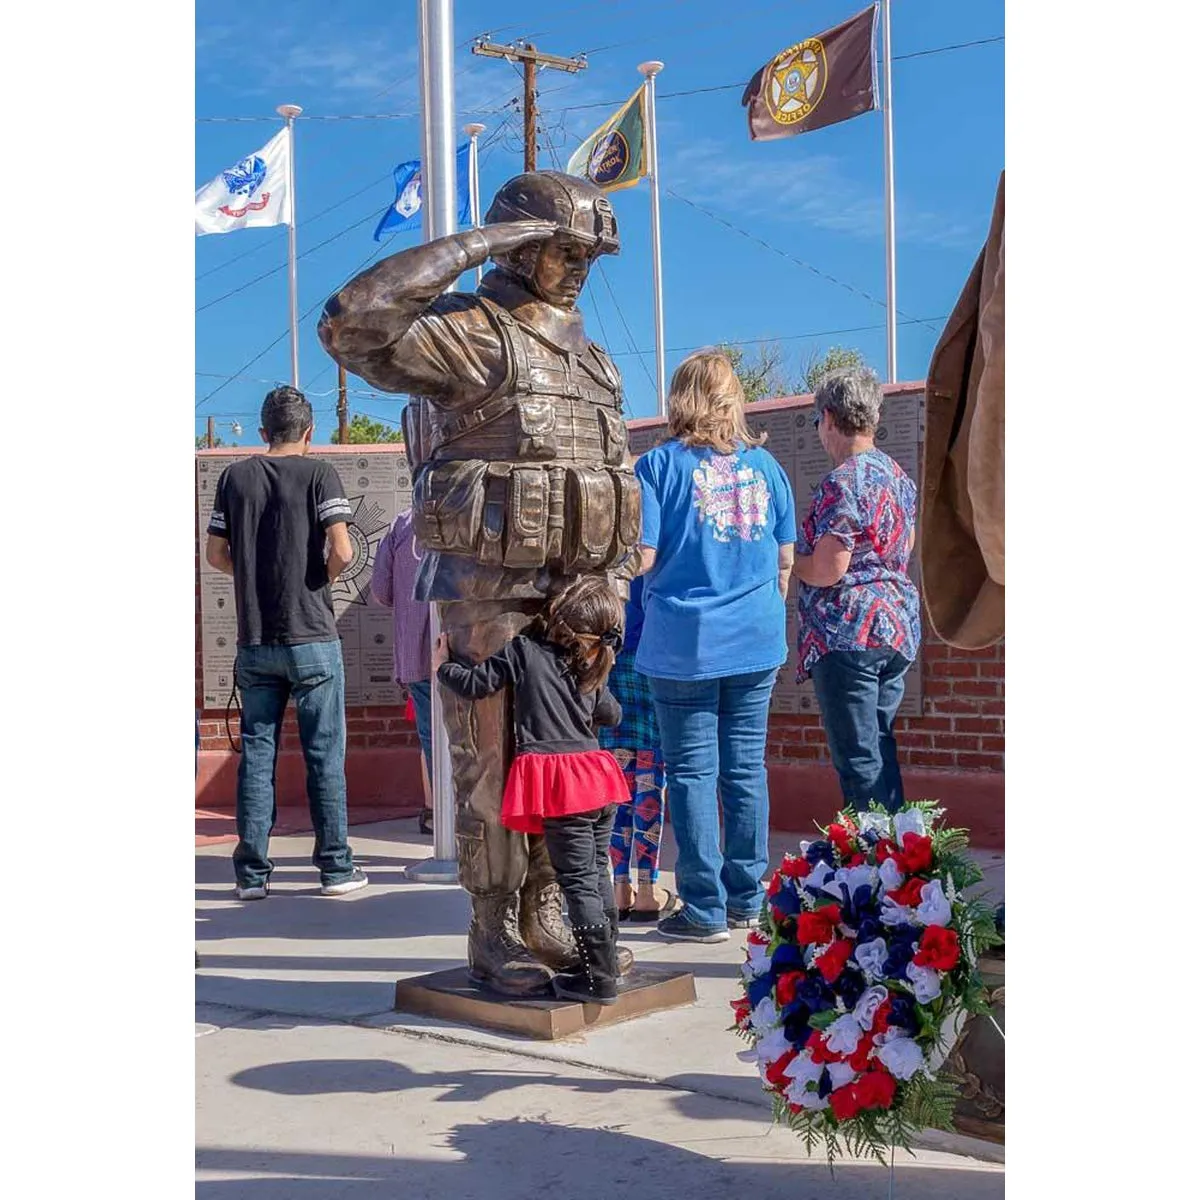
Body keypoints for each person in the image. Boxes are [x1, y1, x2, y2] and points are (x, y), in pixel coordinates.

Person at [318, 170, 639, 997]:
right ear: (521, 246)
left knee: (564, 768)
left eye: (586, 254)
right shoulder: (473, 333)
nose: (576, 266)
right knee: (490, 765)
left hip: (577, 606)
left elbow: (609, 475)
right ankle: (493, 930)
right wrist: (479, 245)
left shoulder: (595, 363)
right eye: (560, 249)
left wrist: (611, 590)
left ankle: (550, 914)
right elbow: (351, 324)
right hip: (489, 596)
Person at [634, 351, 796, 944]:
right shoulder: (767, 466)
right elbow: (785, 559)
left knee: (693, 772)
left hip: (685, 642)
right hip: (756, 639)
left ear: (682, 397)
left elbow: (643, 556)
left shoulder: (656, 466)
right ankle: (748, 899)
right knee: (745, 768)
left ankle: (703, 907)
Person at [204, 385, 368, 900]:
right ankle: (336, 869)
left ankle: (251, 874)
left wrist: (249, 574)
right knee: (323, 753)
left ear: (262, 432)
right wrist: (318, 577)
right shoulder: (321, 474)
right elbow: (341, 548)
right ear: (309, 430)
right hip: (313, 634)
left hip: (256, 638)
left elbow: (215, 554)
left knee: (257, 753)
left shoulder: (234, 477)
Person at [433, 577, 630, 1005]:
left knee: (577, 879)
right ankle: (606, 958)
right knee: (596, 872)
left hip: (562, 784)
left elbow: (475, 683)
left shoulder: (525, 652)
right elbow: (612, 715)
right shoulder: (589, 663)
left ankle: (599, 978)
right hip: (597, 778)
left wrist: (443, 666)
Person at [794, 366, 921, 814]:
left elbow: (829, 568)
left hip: (850, 634)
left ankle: (869, 866)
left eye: (817, 424)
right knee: (881, 749)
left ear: (829, 418)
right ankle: (903, 863)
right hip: (896, 629)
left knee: (859, 760)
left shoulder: (843, 481)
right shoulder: (898, 477)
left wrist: (790, 563)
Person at [598, 574, 674, 922]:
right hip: (652, 654)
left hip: (607, 656)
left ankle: (619, 886)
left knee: (615, 778)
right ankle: (647, 888)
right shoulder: (654, 531)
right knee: (650, 777)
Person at [371, 509, 434, 836]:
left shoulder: (402, 524)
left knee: (430, 734)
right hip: (470, 650)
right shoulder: (474, 509)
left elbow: (381, 591)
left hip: (418, 651)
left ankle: (435, 811)